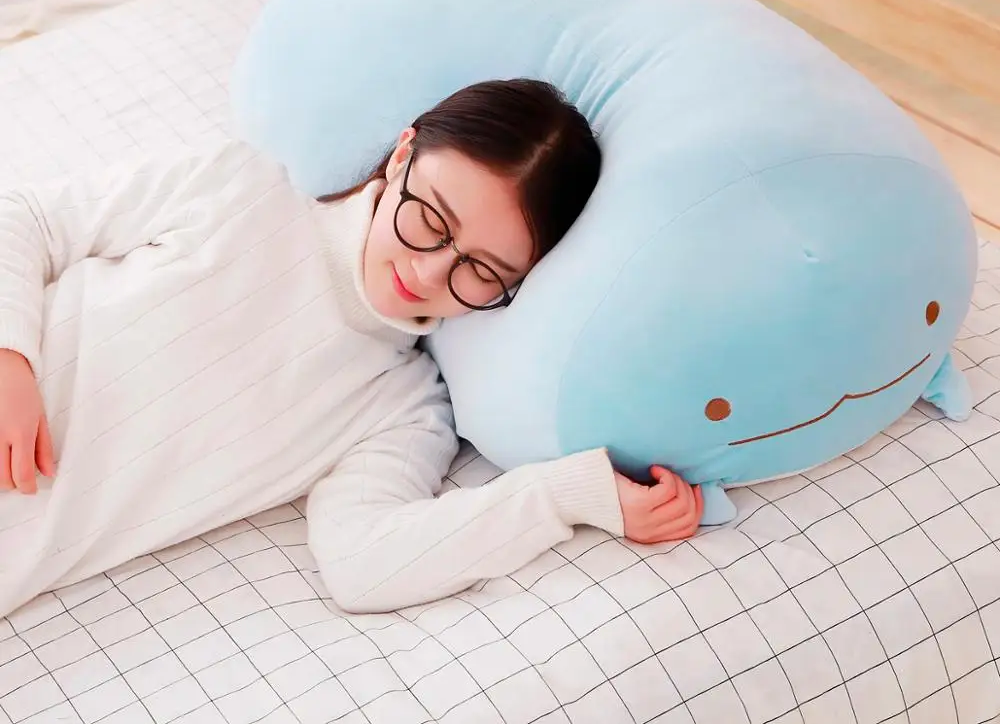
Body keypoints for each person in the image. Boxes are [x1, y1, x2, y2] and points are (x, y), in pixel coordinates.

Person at [0, 78, 702, 618]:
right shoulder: (246, 188)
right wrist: (10, 357)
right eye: (431, 218)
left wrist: (563, 494)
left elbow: (364, 563)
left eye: (481, 271)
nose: (429, 272)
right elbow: (26, 216)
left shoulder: (402, 406)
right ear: (402, 155)